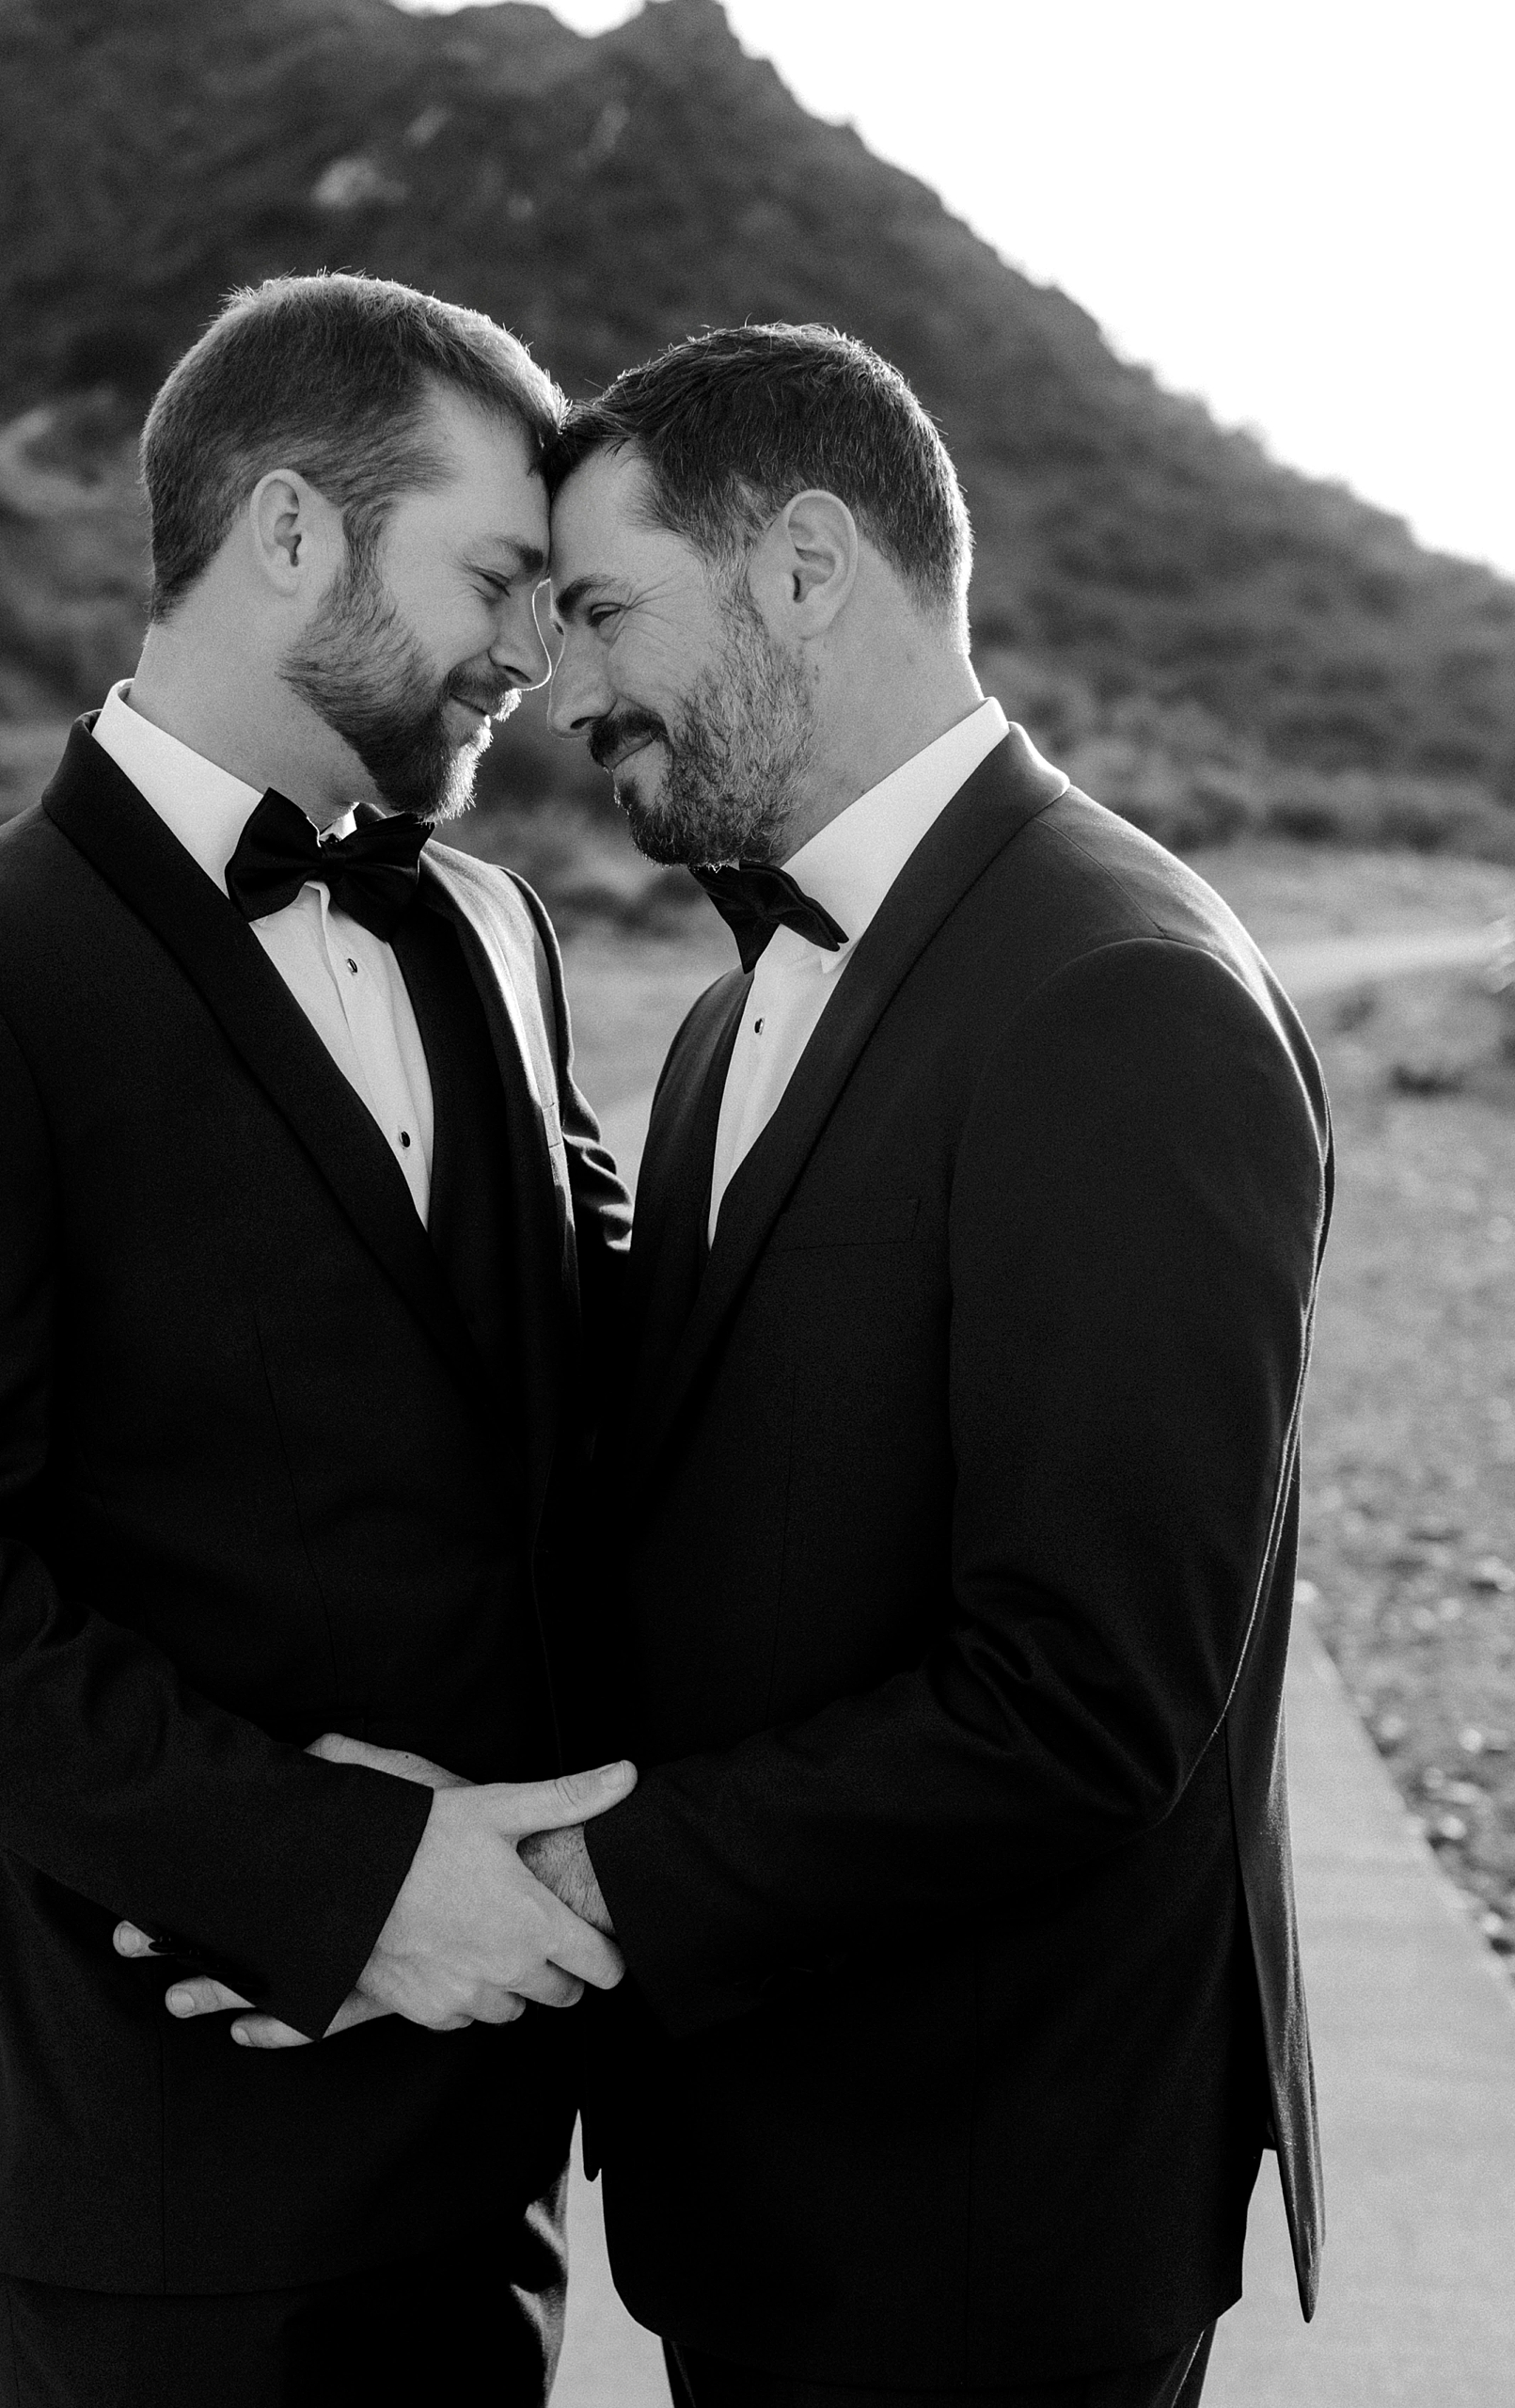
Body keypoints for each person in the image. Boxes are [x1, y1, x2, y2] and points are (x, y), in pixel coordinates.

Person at [0, 272, 634, 2408]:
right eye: (497, 576)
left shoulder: (487, 924)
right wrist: (320, 1881)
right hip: (163, 2159)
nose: (531, 650)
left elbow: (599, 1357)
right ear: (289, 534)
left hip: (482, 2130)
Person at [529, 323, 1330, 2407]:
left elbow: (1084, 1697)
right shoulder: (738, 1007)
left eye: (607, 610)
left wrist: (574, 1882)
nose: (568, 691)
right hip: (782, 2184)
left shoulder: (1114, 997)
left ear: (805, 562)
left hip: (984, 2225)